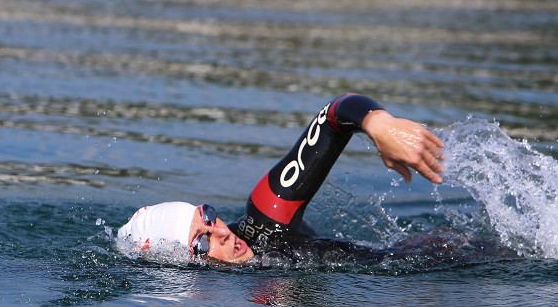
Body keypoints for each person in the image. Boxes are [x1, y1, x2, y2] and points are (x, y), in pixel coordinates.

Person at [117, 93, 445, 264]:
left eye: (207, 216)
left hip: (443, 258)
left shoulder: (265, 220)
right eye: (201, 242)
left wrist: (379, 124)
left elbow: (333, 116)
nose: (221, 233)